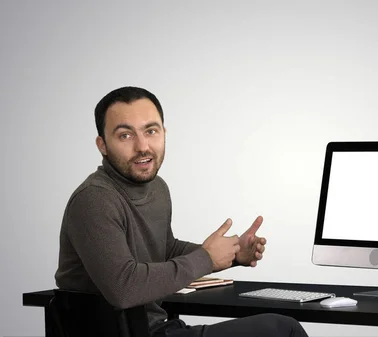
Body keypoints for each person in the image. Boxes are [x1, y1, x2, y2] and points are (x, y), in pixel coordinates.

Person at [54, 86, 309, 337]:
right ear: (103, 145)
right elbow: (124, 288)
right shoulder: (94, 199)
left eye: (150, 131)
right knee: (283, 330)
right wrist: (207, 259)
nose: (142, 146)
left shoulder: (157, 188)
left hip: (158, 328)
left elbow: (164, 250)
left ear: (164, 133)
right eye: (125, 136)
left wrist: (231, 255)